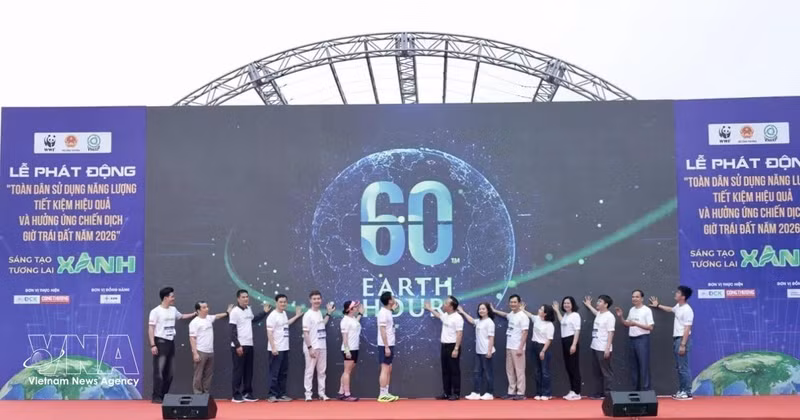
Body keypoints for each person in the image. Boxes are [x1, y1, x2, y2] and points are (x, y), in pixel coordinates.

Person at [148, 287, 196, 403]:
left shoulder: (173, 309)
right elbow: (151, 328)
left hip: (170, 342)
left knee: (170, 372)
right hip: (160, 342)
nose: (174, 298)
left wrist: (195, 313)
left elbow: (181, 316)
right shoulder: (155, 311)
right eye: (172, 296)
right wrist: (153, 345)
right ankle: (156, 396)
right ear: (165, 298)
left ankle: (164, 395)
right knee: (159, 371)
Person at [650, 285, 694, 401]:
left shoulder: (687, 310)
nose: (676, 294)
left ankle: (687, 392)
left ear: (683, 297)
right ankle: (682, 390)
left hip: (682, 339)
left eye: (678, 293)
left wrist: (683, 344)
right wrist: (658, 305)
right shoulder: (678, 306)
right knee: (679, 367)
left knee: (683, 367)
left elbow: (687, 328)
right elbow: (671, 309)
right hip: (677, 340)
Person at [229, 289, 271, 403]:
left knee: (248, 371)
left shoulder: (249, 309)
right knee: (238, 371)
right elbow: (232, 331)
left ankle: (247, 393)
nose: (246, 299)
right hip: (239, 346)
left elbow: (253, 319)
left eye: (247, 297)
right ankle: (236, 395)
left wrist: (264, 312)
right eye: (243, 297)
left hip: (249, 344)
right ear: (238, 299)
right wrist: (237, 345)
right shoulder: (234, 312)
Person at [425, 296, 465, 401]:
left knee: (454, 371)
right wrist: (429, 309)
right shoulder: (446, 315)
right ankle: (446, 393)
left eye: (446, 303)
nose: (443, 304)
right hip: (444, 346)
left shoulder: (458, 318)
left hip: (453, 346)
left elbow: (459, 333)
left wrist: (456, 348)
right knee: (445, 371)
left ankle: (456, 393)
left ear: (451, 306)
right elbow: (439, 316)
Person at [188, 302, 233, 394]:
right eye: (204, 307)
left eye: (207, 307)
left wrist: (227, 313)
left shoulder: (208, 318)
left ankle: (206, 393)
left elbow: (217, 316)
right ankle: (198, 394)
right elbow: (192, 338)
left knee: (208, 374)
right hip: (200, 351)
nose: (207, 309)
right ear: (198, 310)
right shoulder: (194, 322)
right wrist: (195, 353)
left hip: (210, 351)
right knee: (198, 374)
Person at [615, 289, 654, 391]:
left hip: (642, 340)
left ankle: (646, 390)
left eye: (637, 297)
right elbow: (627, 323)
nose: (634, 299)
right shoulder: (632, 310)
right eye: (633, 297)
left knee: (644, 365)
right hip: (632, 339)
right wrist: (621, 317)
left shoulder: (646, 310)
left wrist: (636, 324)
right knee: (633, 366)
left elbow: (650, 327)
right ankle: (635, 391)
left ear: (642, 298)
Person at [266, 294, 303, 403]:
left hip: (285, 348)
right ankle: (272, 395)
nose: (283, 304)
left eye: (285, 302)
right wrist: (273, 347)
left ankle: (281, 395)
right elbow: (269, 332)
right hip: (276, 350)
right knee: (274, 373)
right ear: (276, 303)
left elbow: (286, 324)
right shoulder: (272, 316)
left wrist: (297, 316)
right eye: (281, 302)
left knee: (283, 373)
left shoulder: (284, 313)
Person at [492, 295, 528, 400]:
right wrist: (494, 310)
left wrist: (520, 347)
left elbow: (525, 333)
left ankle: (521, 393)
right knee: (510, 370)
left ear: (519, 303)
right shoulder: (512, 314)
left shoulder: (523, 316)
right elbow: (505, 315)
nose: (512, 304)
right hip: (509, 346)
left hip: (518, 347)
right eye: (511, 302)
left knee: (519, 371)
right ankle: (511, 392)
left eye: (515, 302)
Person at [302, 290, 335, 402]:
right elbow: (306, 333)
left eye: (318, 299)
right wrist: (310, 347)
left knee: (322, 371)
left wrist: (328, 313)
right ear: (310, 300)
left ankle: (322, 393)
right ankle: (308, 394)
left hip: (322, 346)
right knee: (309, 371)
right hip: (312, 347)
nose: (317, 301)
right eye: (314, 299)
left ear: (321, 300)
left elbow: (322, 324)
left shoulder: (320, 312)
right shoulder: (308, 314)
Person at [457, 302, 495, 401]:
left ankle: (489, 393)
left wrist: (489, 351)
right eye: (480, 309)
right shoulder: (479, 321)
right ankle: (476, 392)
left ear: (488, 310)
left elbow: (491, 338)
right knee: (477, 372)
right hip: (478, 351)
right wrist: (462, 312)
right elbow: (472, 320)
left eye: (483, 309)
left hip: (486, 351)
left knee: (488, 373)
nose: (481, 310)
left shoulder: (490, 322)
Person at [583, 295, 615, 399]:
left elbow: (611, 332)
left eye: (600, 301)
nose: (597, 303)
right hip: (595, 346)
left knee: (606, 372)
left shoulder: (610, 317)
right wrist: (589, 305)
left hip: (603, 348)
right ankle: (598, 393)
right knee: (597, 372)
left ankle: (608, 395)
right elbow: (596, 313)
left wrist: (607, 348)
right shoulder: (600, 314)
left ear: (606, 304)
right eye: (598, 301)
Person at [522, 304, 555, 400]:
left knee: (545, 371)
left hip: (544, 347)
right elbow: (530, 315)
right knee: (537, 371)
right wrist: (523, 309)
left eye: (541, 309)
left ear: (545, 313)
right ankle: (539, 392)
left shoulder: (549, 325)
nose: (539, 310)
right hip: (534, 346)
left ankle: (546, 393)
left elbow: (549, 339)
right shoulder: (537, 319)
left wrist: (543, 351)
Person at [552, 296, 582, 400]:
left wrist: (574, 344)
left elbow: (577, 330)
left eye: (568, 303)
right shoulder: (566, 315)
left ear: (572, 304)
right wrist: (557, 310)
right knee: (569, 367)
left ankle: (577, 392)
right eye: (564, 303)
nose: (566, 305)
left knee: (574, 367)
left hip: (571, 340)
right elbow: (562, 322)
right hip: (564, 341)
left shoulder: (575, 315)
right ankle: (572, 390)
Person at [338, 300, 364, 402]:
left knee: (347, 371)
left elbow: (355, 324)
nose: (357, 307)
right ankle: (347, 394)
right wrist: (347, 350)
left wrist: (360, 314)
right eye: (355, 306)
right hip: (349, 349)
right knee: (347, 371)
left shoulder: (352, 319)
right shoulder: (345, 321)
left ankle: (341, 392)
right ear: (350, 309)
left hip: (355, 348)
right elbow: (344, 337)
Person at [377, 291, 399, 402]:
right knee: (385, 368)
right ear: (389, 301)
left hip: (390, 343)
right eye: (393, 298)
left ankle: (386, 392)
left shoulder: (387, 311)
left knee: (388, 368)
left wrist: (393, 308)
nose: (394, 299)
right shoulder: (383, 313)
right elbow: (382, 330)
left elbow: (393, 310)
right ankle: (382, 394)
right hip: (385, 345)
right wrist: (386, 346)